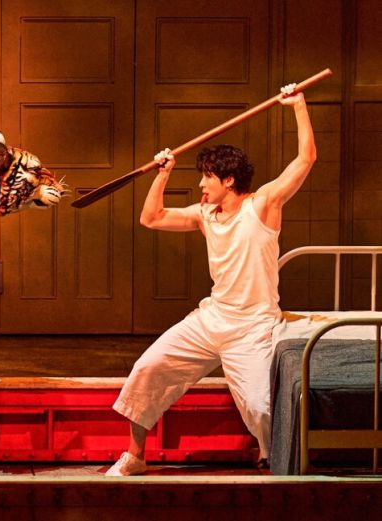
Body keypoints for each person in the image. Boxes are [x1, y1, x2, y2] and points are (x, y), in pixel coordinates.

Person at [105, 84, 316, 476]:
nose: (202, 185)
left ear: (229, 181)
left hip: (252, 327)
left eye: (207, 177)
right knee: (148, 367)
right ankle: (135, 454)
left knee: (261, 406)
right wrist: (163, 174)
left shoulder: (263, 205)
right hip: (211, 319)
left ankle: (271, 455)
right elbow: (151, 218)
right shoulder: (205, 215)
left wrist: (298, 106)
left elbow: (305, 159)